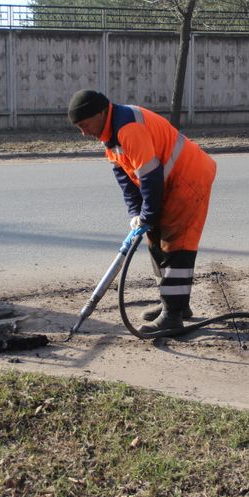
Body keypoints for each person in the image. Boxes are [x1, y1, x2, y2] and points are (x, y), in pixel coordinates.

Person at [68, 89, 217, 334]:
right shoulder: (109, 135)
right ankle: (175, 304)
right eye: (79, 128)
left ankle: (173, 317)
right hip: (168, 182)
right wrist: (137, 213)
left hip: (188, 178)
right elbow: (125, 178)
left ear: (101, 112)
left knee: (176, 246)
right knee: (154, 240)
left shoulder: (128, 128)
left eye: (85, 125)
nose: (84, 133)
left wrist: (148, 214)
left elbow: (150, 176)